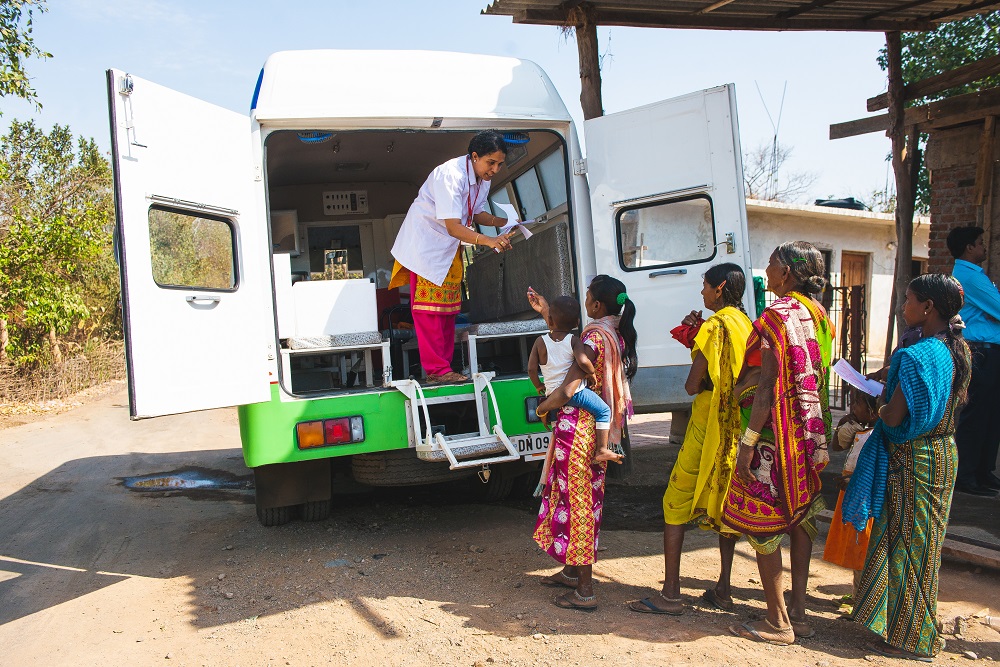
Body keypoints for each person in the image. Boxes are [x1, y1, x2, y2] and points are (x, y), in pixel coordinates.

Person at [843, 274, 971, 661]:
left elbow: (894, 416)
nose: (903, 307)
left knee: (906, 547)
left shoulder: (917, 356)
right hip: (943, 453)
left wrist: (875, 405)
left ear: (928, 307)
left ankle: (910, 639)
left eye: (910, 300)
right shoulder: (955, 349)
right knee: (925, 547)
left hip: (912, 458)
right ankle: (915, 629)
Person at [724, 241, 833, 646]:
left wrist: (748, 442)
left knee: (764, 520)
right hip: (809, 434)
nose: (766, 270)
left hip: (773, 435)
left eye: (770, 263)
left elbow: (767, 386)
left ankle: (777, 621)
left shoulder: (776, 317)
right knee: (801, 516)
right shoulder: (820, 315)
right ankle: (799, 613)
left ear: (786, 272)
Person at [628, 263, 752, 616]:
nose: (702, 292)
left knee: (675, 501)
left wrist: (698, 343)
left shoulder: (714, 327)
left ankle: (670, 594)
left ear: (720, 287)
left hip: (707, 421)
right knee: (726, 501)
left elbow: (692, 385)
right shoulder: (745, 323)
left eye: (705, 286)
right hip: (735, 425)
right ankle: (723, 589)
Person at [528, 275, 637, 611]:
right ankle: (572, 572)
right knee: (585, 500)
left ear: (597, 305)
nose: (585, 300)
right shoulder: (612, 332)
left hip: (578, 430)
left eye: (588, 296)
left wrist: (542, 408)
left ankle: (585, 591)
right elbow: (563, 339)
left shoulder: (592, 337)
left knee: (577, 504)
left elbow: (568, 389)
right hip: (595, 430)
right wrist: (547, 310)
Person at [388, 130, 518, 384]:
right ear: (474, 156)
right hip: (426, 247)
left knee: (447, 311)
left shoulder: (482, 178)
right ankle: (436, 370)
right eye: (491, 162)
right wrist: (489, 240)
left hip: (447, 248)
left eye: (500, 164)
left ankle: (444, 368)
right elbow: (453, 226)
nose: (495, 170)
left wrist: (504, 222)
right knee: (429, 312)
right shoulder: (451, 174)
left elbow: (475, 212)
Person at [527, 295, 622, 495]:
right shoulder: (574, 340)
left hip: (552, 393)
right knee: (604, 411)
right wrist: (591, 373)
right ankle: (602, 449)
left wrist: (538, 386)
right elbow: (583, 361)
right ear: (577, 322)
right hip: (575, 394)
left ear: (549, 320)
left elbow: (531, 369)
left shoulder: (539, 342)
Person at [947, 226, 1000, 497]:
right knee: (977, 413)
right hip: (981, 350)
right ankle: (967, 474)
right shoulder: (969, 276)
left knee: (990, 414)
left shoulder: (973, 275)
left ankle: (982, 470)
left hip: (989, 349)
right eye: (980, 243)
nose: (984, 247)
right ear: (969, 247)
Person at [822, 388, 878, 607]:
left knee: (863, 544)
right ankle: (857, 595)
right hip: (851, 494)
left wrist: (854, 481)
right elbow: (837, 446)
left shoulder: (876, 437)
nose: (852, 407)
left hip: (862, 495)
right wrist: (843, 427)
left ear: (872, 411)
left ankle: (862, 599)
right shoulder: (859, 430)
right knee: (855, 544)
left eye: (857, 404)